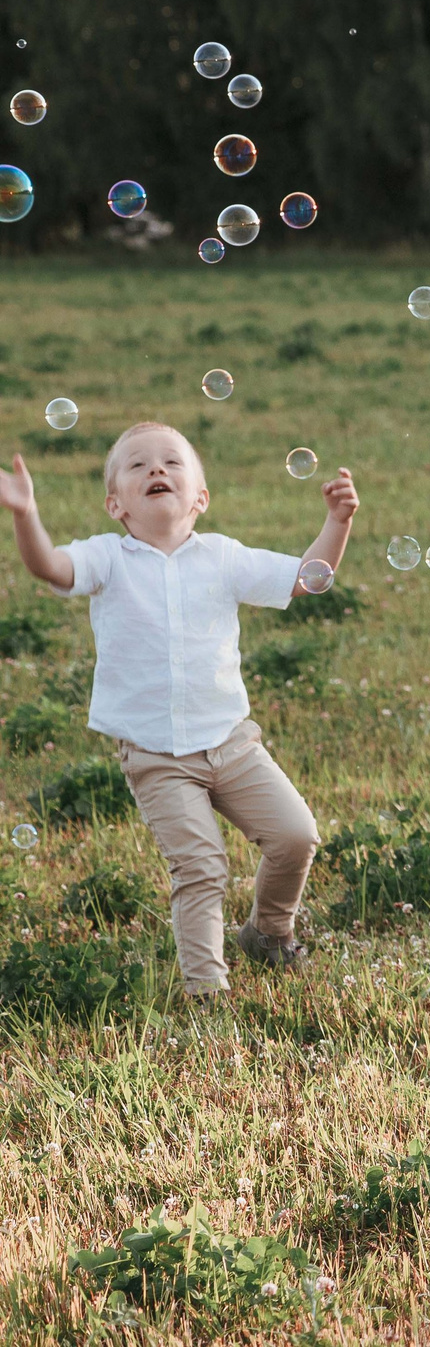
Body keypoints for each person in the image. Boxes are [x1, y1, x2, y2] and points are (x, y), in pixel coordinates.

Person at [0, 423, 358, 997]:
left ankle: (268, 933)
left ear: (201, 498)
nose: (157, 470)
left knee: (296, 836)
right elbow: (50, 567)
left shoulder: (223, 557)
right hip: (156, 756)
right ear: (116, 503)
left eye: (172, 462)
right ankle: (206, 992)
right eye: (138, 466)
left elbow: (305, 580)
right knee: (201, 868)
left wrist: (336, 523)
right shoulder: (106, 559)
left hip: (232, 744)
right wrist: (24, 513)